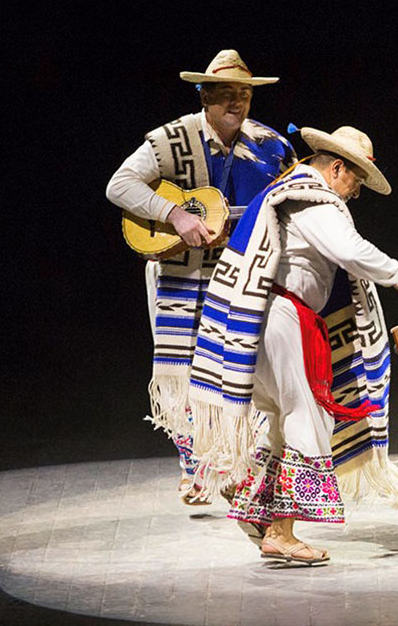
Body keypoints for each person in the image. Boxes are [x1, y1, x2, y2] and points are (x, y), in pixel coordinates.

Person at [186, 126, 398, 565]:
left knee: (277, 419)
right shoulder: (315, 199)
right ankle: (283, 531)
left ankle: (257, 512)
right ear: (336, 168)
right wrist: (397, 275)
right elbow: (347, 248)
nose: (354, 194)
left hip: (258, 316)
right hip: (282, 318)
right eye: (356, 181)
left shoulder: (287, 189)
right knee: (306, 415)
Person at [105, 49, 295, 503]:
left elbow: (291, 198)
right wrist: (175, 215)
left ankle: (239, 461)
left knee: (243, 366)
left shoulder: (272, 146)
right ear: (204, 96)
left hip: (243, 274)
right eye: (226, 93)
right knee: (189, 369)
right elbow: (120, 185)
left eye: (244, 94)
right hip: (181, 274)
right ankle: (196, 466)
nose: (237, 102)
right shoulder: (171, 141)